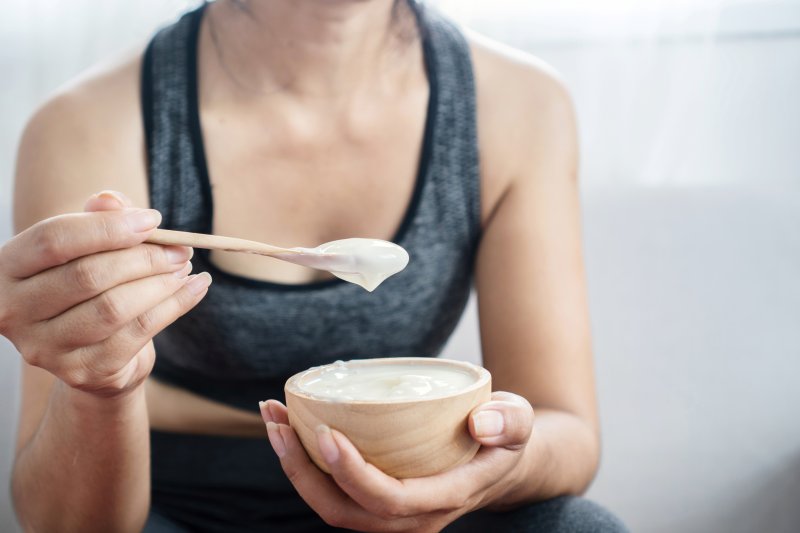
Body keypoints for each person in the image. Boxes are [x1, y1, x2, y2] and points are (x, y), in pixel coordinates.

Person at [2, 0, 628, 531]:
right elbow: (58, 520)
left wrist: (490, 474)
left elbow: (564, 428)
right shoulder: (88, 125)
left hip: (417, 468)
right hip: (176, 495)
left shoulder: (517, 104)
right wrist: (102, 389)